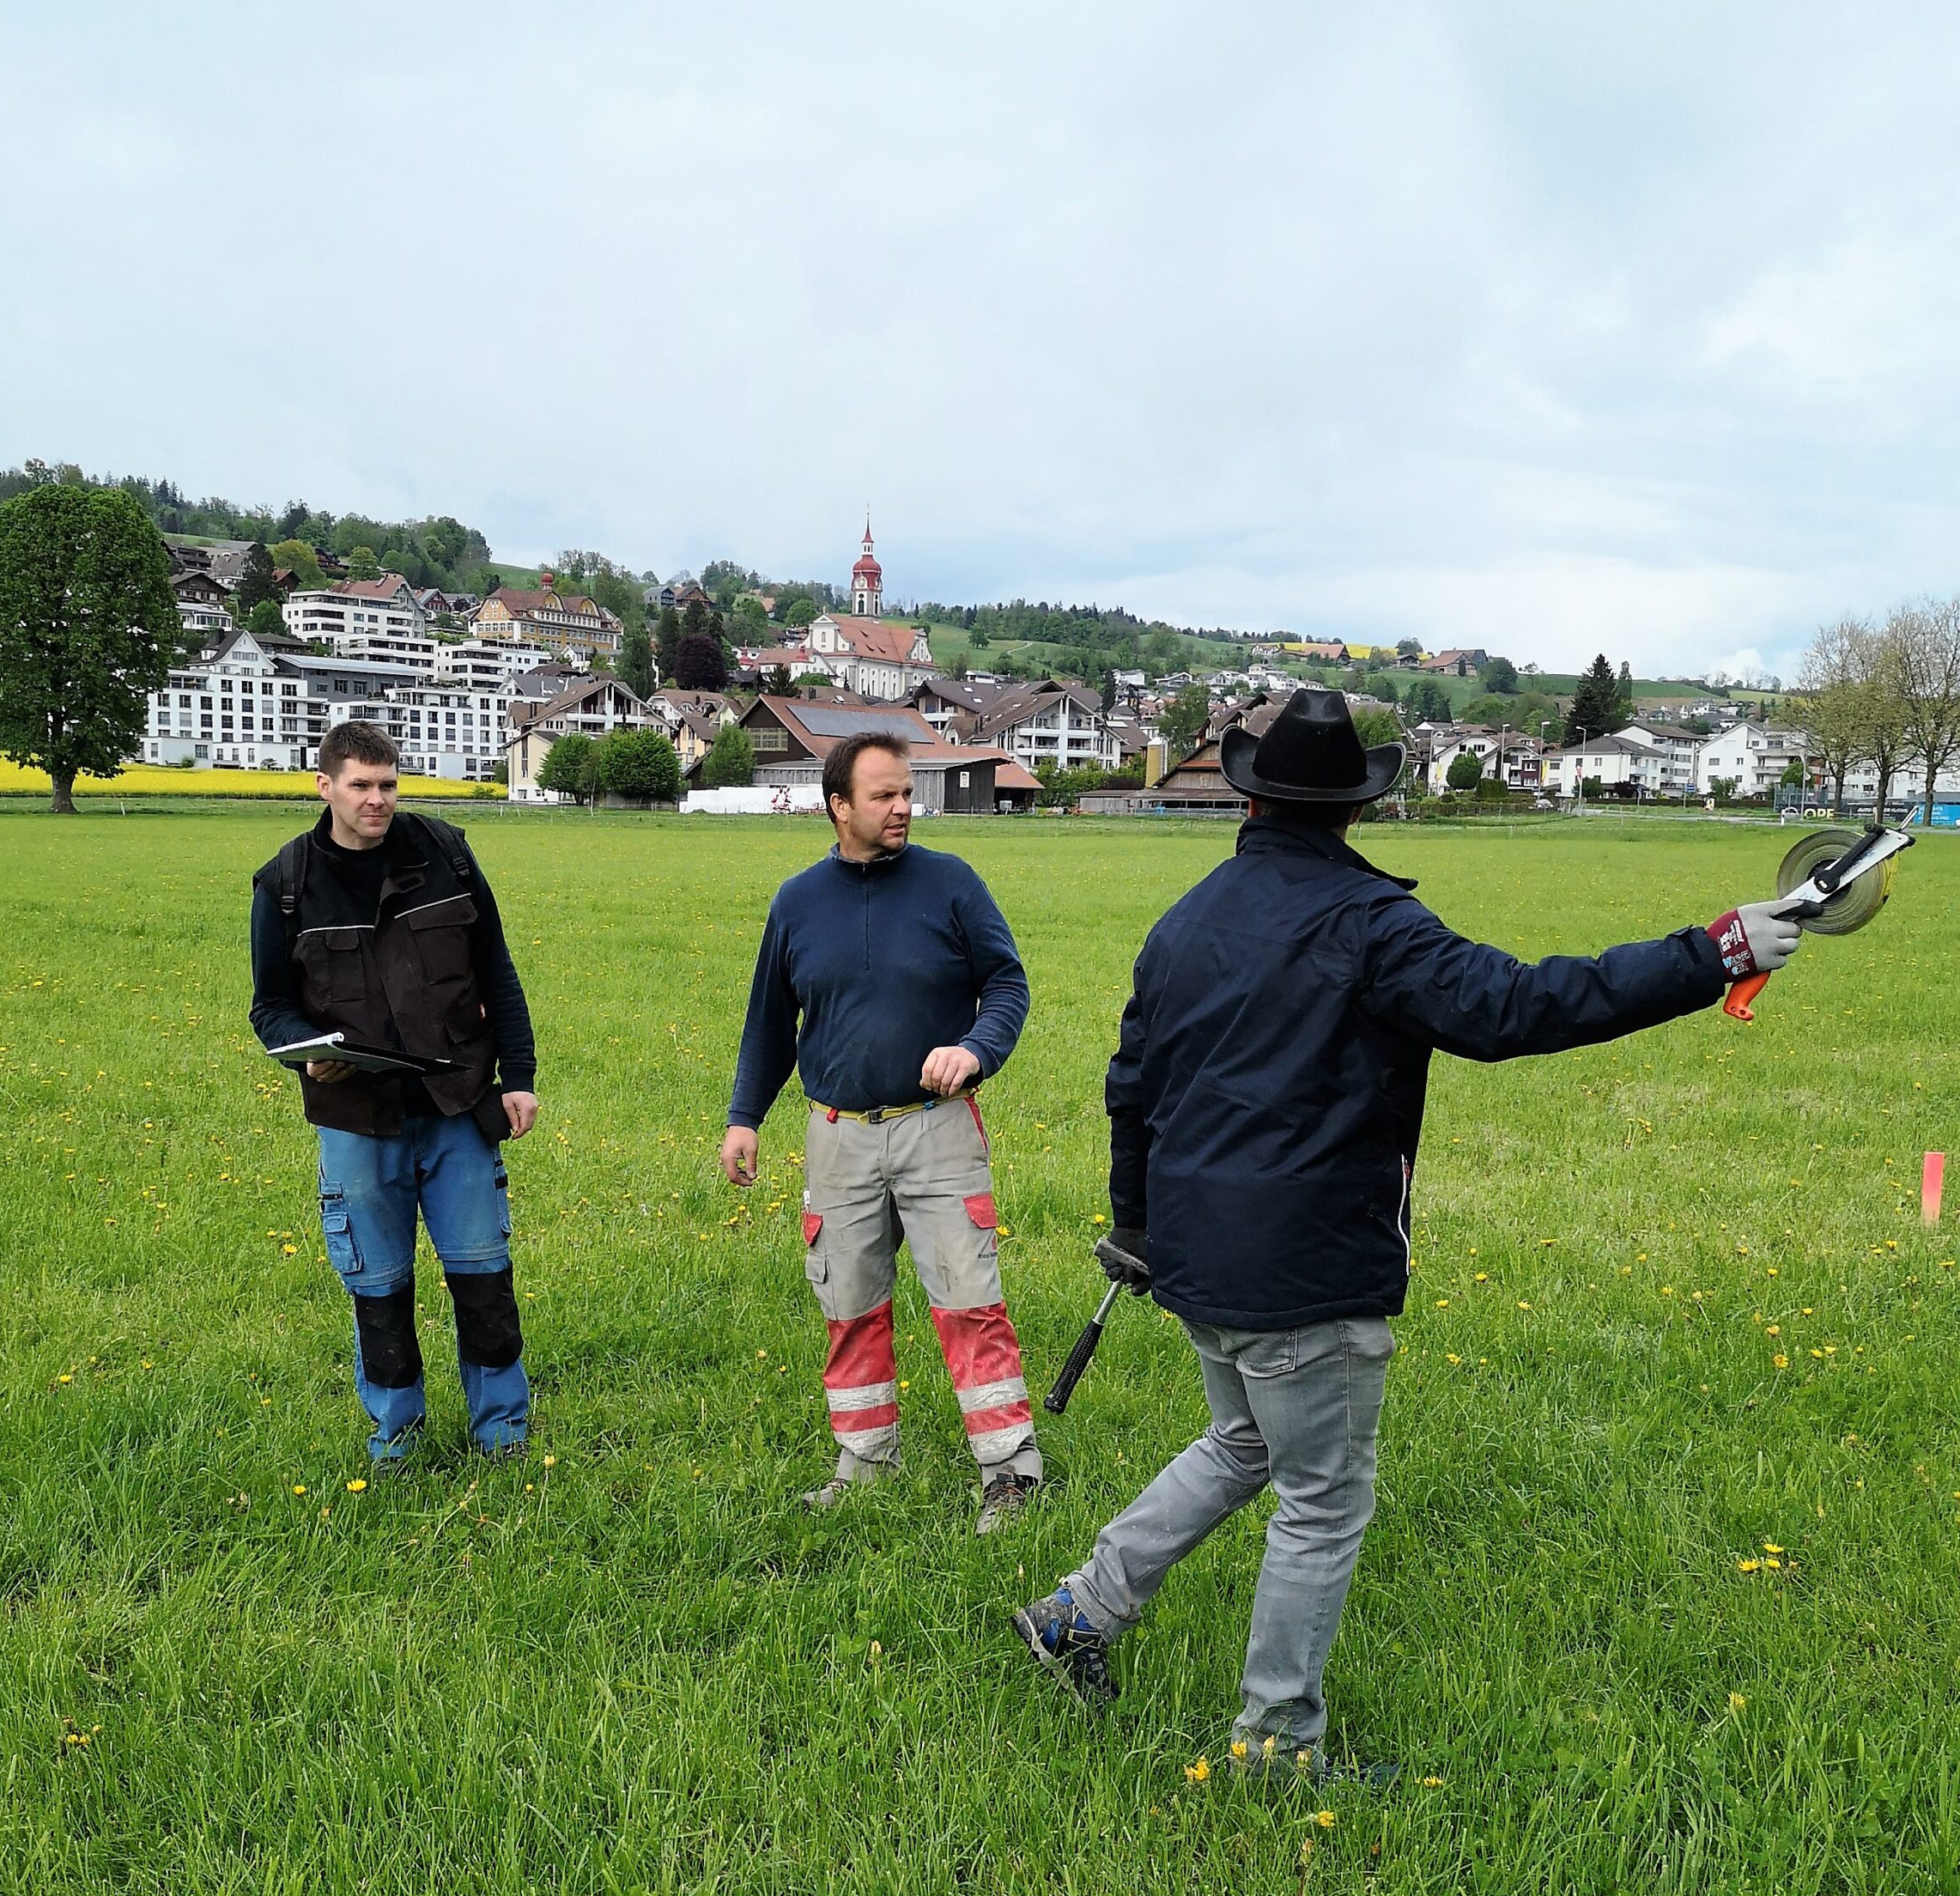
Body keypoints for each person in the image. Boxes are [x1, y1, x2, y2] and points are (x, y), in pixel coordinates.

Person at [1014, 689, 1803, 1770]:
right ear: (1354, 810)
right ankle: (1276, 1742)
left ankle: (1077, 1613)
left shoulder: (1185, 921)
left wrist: (1139, 1225)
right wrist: (1711, 952)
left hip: (1198, 1257)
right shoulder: (1370, 925)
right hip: (1305, 1269)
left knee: (1243, 1440)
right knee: (1324, 1500)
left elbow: (1130, 1088)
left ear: (1248, 798)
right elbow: (1519, 1007)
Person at [722, 730, 1043, 1534]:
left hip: (937, 1131)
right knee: (851, 1307)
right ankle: (866, 1466)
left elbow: (1007, 984)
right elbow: (769, 1023)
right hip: (838, 1137)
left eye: (907, 793)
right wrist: (743, 1119)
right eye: (884, 796)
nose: (904, 808)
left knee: (971, 1302)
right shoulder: (797, 901)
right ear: (839, 807)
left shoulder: (951, 884)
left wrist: (974, 1050)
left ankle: (1010, 1474)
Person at [249, 721, 540, 1468]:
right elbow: (270, 1008)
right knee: (378, 1290)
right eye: (360, 786)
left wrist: (520, 1077)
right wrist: (304, 1062)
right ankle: (396, 1442)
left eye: (388, 785)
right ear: (325, 787)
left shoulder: (445, 852)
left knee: (484, 1279)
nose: (377, 800)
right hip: (356, 1118)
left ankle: (503, 1436)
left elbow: (496, 972)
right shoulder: (283, 885)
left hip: (457, 1104)